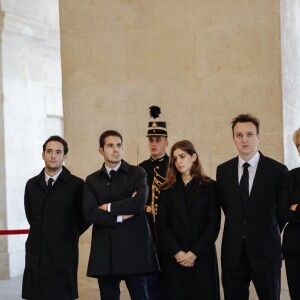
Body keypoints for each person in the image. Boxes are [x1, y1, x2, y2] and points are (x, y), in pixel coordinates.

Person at [216, 113, 288, 300]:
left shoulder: (277, 170)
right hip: (233, 254)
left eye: (249, 134)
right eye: (239, 135)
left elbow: (281, 212)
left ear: (258, 136)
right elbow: (228, 208)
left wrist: (264, 232)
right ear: (233, 138)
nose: (244, 139)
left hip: (265, 252)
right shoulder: (223, 171)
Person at [83, 130, 159, 300]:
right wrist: (120, 216)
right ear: (101, 151)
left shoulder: (137, 173)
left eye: (119, 145)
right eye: (110, 145)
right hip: (105, 252)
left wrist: (108, 207)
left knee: (141, 296)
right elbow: (90, 213)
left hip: (135, 249)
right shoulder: (91, 180)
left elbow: (139, 203)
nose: (116, 149)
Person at [22, 135, 88, 300]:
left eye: (58, 152)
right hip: (36, 252)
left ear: (64, 157)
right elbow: (31, 215)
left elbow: (85, 217)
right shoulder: (31, 185)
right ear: (42, 155)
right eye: (49, 151)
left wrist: (68, 234)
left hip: (62, 252)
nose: (53, 156)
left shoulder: (77, 185)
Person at [157, 140, 221, 300]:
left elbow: (213, 224)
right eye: (175, 158)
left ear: (194, 157)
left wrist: (194, 253)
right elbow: (162, 225)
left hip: (202, 257)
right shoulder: (166, 189)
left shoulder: (210, 187)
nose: (178, 162)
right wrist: (178, 253)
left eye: (182, 156)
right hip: (175, 258)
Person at [139, 106, 168, 299]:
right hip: (147, 232)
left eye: (158, 140)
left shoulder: (173, 166)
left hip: (169, 232)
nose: (154, 144)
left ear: (166, 141)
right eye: (151, 140)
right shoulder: (140, 169)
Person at [281, 128, 300, 300]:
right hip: (295, 248)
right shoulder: (291, 176)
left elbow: (292, 211)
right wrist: (290, 211)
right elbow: (283, 212)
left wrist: (297, 208)